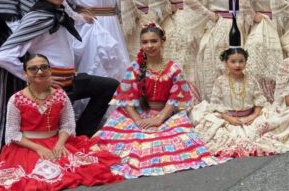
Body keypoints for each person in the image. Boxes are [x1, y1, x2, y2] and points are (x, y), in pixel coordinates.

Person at [0, 0, 119, 154]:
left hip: (70, 80)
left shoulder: (61, 13)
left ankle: (82, 135)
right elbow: (2, 56)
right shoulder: (37, 18)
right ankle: (71, 141)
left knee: (110, 86)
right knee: (56, 126)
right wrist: (35, 78)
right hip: (50, 87)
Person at [0, 53, 122, 191]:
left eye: (44, 67)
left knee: (83, 167)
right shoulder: (16, 99)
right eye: (33, 69)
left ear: (50, 70)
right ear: (25, 74)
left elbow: (67, 124)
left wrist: (60, 144)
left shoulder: (60, 95)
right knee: (32, 178)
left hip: (56, 141)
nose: (39, 72)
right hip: (27, 147)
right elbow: (12, 133)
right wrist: (39, 148)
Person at [90, 25, 217, 178]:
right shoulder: (135, 67)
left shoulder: (173, 68)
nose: (149, 46)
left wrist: (159, 119)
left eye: (153, 41)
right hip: (138, 114)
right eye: (145, 42)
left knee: (177, 141)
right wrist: (138, 121)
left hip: (165, 114)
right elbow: (126, 98)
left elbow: (175, 99)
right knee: (126, 140)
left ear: (162, 41)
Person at [183, 0, 245, 101]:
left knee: (238, 61)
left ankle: (238, 99)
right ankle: (217, 99)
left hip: (237, 24)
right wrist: (211, 15)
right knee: (218, 62)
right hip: (219, 26)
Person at [190, 47, 277, 157]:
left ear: (246, 62)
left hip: (250, 117)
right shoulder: (220, 81)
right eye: (233, 61)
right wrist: (228, 118)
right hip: (228, 118)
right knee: (219, 135)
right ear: (226, 63)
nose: (237, 65)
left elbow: (259, 100)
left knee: (266, 127)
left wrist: (253, 115)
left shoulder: (251, 80)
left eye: (241, 61)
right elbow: (215, 104)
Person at [240, 0, 285, 101]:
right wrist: (253, 15)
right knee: (261, 59)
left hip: (278, 23)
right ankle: (261, 97)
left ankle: (275, 96)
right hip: (264, 25)